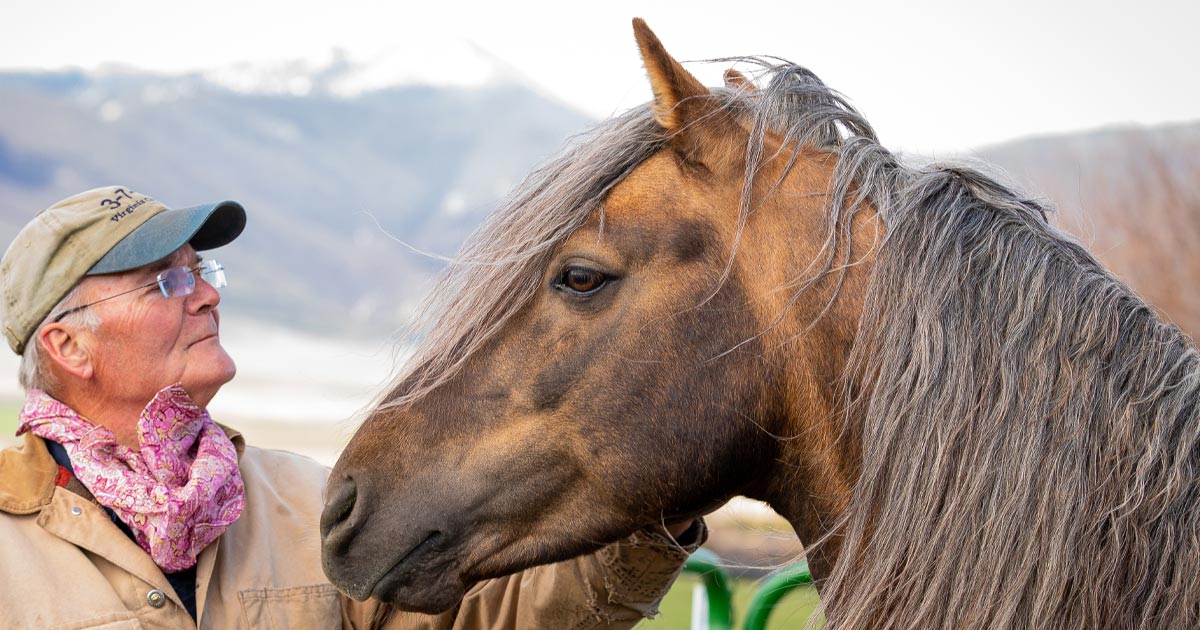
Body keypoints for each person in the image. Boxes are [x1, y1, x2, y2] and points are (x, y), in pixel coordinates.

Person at [0, 186, 703, 629]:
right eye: (167, 282)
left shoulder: (306, 504)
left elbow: (503, 621)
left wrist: (659, 496)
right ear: (69, 346)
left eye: (203, 271)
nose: (209, 294)